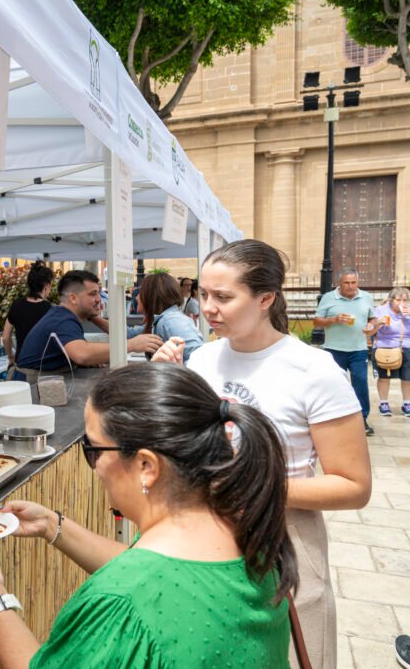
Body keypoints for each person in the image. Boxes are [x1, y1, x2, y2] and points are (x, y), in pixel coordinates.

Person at [0, 363, 297, 667]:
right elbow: (163, 576)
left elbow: (141, 586)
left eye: (92, 449)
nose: (93, 466)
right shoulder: (253, 541)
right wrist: (51, 525)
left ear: (147, 466)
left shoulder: (119, 603)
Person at [153, 239, 372, 668]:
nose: (208, 308)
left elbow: (354, 486)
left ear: (266, 298)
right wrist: (167, 382)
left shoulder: (313, 370)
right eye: (203, 294)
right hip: (205, 535)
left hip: (282, 538)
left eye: (224, 297)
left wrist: (250, 487)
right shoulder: (203, 359)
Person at [14, 270, 163, 382]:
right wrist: (130, 345)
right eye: (92, 294)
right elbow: (82, 354)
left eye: (98, 293)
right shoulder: (62, 320)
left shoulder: (63, 315)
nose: (99, 299)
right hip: (30, 386)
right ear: (73, 298)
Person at [313, 268, 378, 434]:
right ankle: (331, 418)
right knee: (333, 384)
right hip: (334, 350)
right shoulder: (328, 298)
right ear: (339, 283)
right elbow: (317, 322)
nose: (351, 286)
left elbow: (373, 317)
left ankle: (362, 419)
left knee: (361, 383)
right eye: (346, 283)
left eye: (353, 282)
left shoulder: (366, 297)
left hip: (358, 349)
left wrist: (372, 326)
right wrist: (334, 319)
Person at [370, 287, 410, 418]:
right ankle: (383, 403)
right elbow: (370, 331)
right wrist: (378, 324)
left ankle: (407, 404)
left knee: (409, 378)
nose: (402, 302)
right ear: (391, 300)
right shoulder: (380, 310)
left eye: (405, 300)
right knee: (384, 377)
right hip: (385, 347)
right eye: (398, 300)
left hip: (409, 347)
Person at [128, 272, 204, 363]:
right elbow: (130, 333)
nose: (136, 297)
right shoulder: (163, 321)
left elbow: (199, 361)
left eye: (141, 291)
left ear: (152, 295)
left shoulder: (171, 321)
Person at [2, 261, 54, 372]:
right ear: (47, 286)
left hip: (22, 364)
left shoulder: (16, 305)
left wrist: (11, 357)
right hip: (43, 366)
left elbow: (6, 337)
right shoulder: (50, 309)